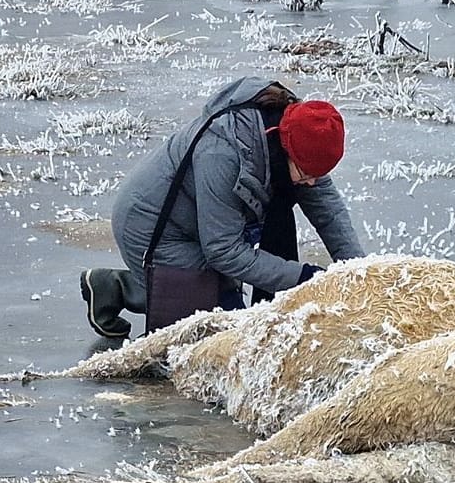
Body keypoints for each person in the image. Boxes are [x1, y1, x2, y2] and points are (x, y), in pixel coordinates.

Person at [80, 77, 364, 338]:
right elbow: (223, 251)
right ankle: (125, 288)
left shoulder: (294, 133)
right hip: (155, 229)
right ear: (286, 149)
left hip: (200, 226)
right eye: (306, 174)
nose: (313, 183)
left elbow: (329, 212)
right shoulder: (223, 153)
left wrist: (361, 271)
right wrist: (303, 277)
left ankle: (123, 286)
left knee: (223, 306)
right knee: (219, 333)